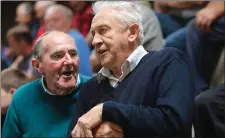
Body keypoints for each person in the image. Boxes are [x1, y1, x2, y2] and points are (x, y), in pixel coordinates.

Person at [68, 1, 195, 137]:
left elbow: (175, 123)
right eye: (93, 34)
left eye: (103, 30)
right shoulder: (90, 88)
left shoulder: (167, 61)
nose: (95, 41)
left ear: (132, 33)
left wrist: (106, 110)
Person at [2, 31, 90, 137]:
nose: (69, 61)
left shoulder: (97, 89)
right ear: (38, 66)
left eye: (73, 54)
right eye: (58, 56)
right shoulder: (22, 98)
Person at [44, 4, 92, 77]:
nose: (51, 24)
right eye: (47, 22)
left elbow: (84, 75)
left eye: (55, 20)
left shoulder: (74, 40)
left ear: (69, 21)